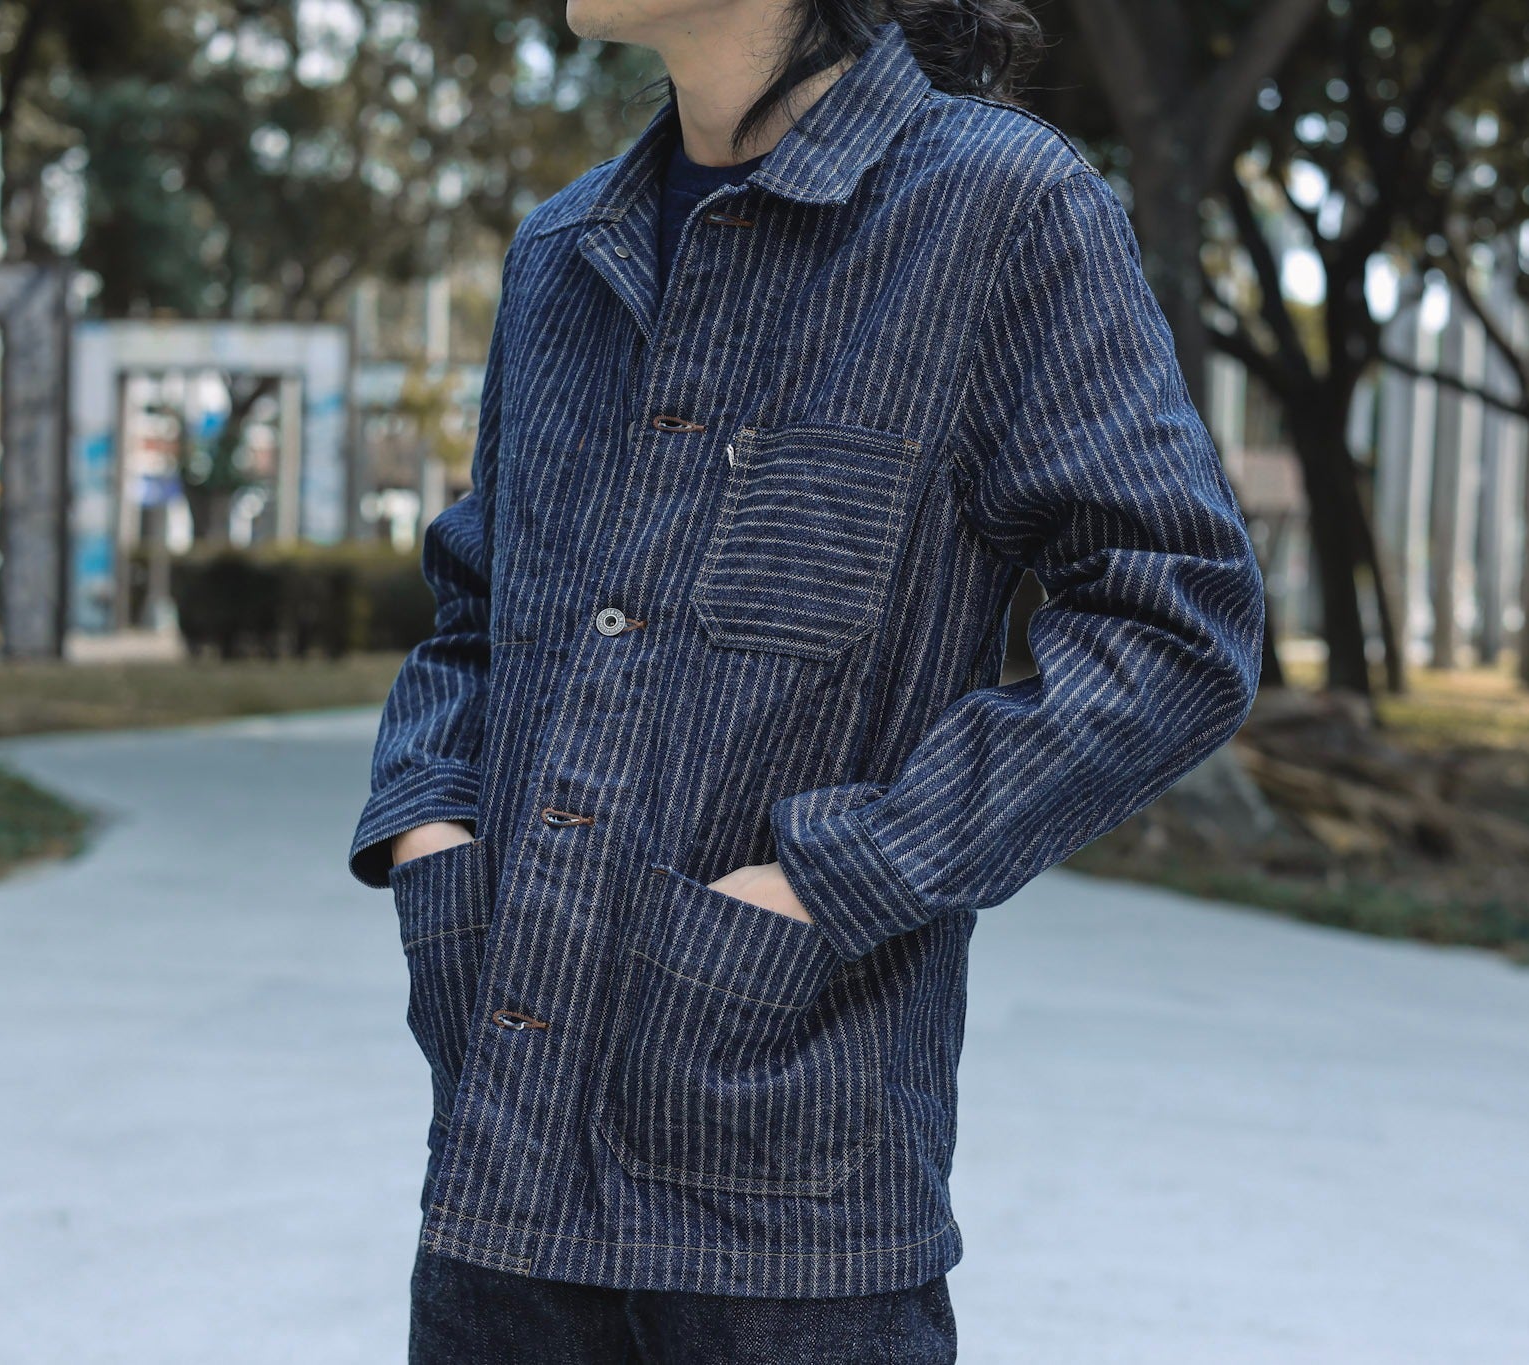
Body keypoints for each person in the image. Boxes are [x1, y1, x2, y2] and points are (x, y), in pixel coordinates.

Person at [349, 1, 1267, 1359]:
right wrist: (434, 835)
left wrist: (841, 875)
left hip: (791, 1216)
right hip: (505, 1189)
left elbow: (1174, 620)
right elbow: (481, 607)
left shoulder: (998, 209)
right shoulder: (563, 252)